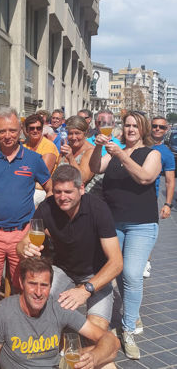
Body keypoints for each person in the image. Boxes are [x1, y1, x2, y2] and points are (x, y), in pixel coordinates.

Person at [89, 111, 162, 359]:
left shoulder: (152, 154)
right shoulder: (114, 151)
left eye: (135, 125)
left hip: (142, 224)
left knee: (132, 274)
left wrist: (120, 154)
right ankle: (133, 310)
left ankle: (128, 330)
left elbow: (145, 177)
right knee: (117, 270)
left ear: (142, 129)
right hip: (114, 223)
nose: (130, 129)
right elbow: (94, 167)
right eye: (127, 125)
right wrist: (99, 148)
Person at [17, 165, 123, 334]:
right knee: (38, 307)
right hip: (63, 270)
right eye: (58, 192)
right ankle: (51, 352)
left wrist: (85, 290)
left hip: (96, 274)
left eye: (68, 192)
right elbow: (24, 242)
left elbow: (116, 263)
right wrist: (23, 248)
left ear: (81, 189)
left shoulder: (98, 209)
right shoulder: (47, 207)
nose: (62, 197)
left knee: (96, 331)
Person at [0, 107, 52, 314]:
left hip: (23, 234)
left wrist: (42, 220)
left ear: (20, 131)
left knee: (22, 288)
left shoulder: (33, 159)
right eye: (2, 131)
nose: (7, 136)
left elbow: (51, 189)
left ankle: (17, 339)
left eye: (12, 130)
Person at [0, 257, 120, 369]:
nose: (38, 293)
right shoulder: (2, 314)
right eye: (32, 284)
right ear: (21, 284)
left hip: (56, 365)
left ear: (51, 287)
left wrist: (94, 358)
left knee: (106, 363)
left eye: (44, 285)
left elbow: (111, 340)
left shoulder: (58, 307)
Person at [142, 116, 176, 280]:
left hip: (149, 198)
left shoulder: (167, 153)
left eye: (161, 127)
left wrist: (168, 204)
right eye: (154, 126)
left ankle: (145, 261)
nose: (157, 129)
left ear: (166, 130)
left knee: (146, 233)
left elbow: (170, 181)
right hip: (127, 196)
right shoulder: (139, 144)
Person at [85, 110, 124, 199]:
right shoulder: (86, 143)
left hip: (112, 193)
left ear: (113, 124)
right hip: (90, 193)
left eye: (108, 123)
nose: (105, 126)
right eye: (101, 123)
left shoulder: (121, 145)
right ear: (95, 123)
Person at [22, 114, 59, 207]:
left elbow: (41, 176)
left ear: (42, 129)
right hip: (25, 185)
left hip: (41, 189)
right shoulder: (23, 146)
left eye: (38, 128)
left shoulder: (48, 147)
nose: (35, 131)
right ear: (26, 130)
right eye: (32, 128)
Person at [59, 115, 95, 186]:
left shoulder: (91, 151)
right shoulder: (66, 148)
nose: (73, 137)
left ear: (85, 133)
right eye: (70, 133)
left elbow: (83, 179)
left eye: (77, 133)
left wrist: (71, 158)